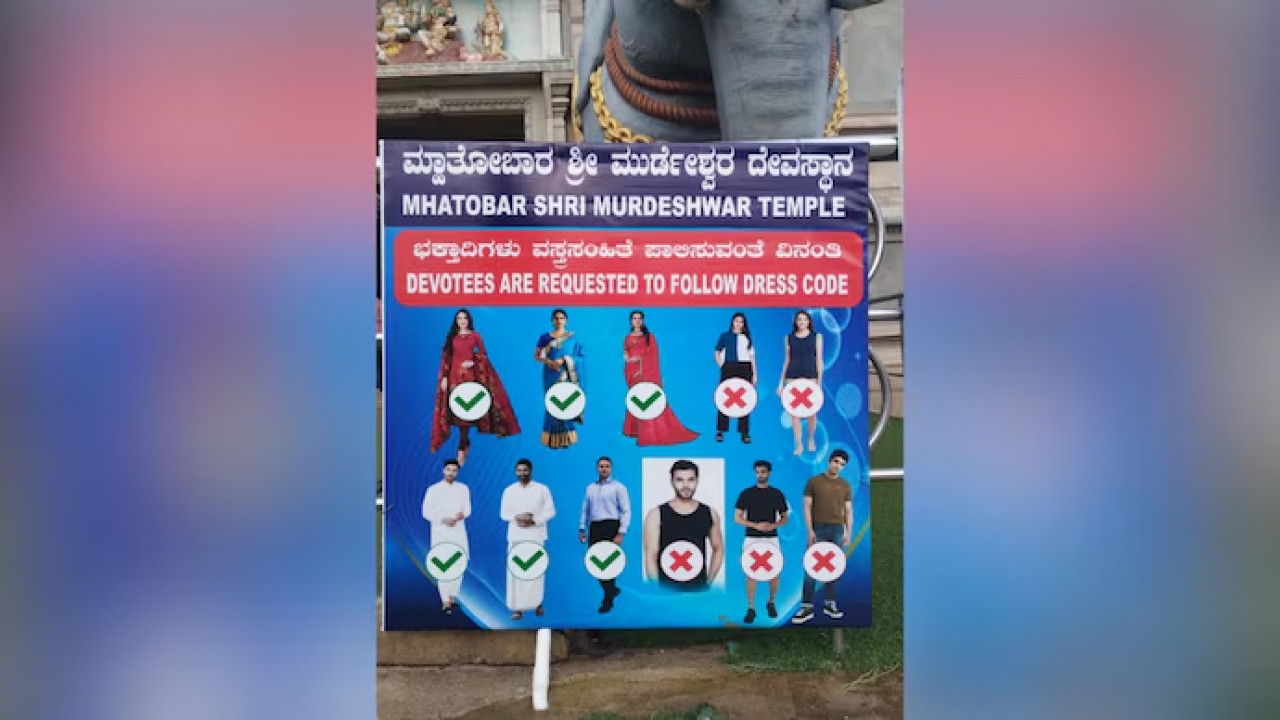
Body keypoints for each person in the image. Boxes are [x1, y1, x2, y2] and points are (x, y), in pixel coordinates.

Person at [430, 308, 521, 465]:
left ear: (469, 320)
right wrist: (444, 378)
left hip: (470, 378)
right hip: (453, 378)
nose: (462, 321)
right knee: (457, 412)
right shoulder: (452, 337)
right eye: (459, 318)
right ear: (456, 321)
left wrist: (473, 361)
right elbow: (446, 358)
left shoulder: (475, 336)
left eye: (465, 318)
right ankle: (464, 443)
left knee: (468, 411)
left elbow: (484, 355)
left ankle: (462, 445)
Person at [792, 450, 853, 624]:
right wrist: (810, 530)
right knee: (811, 568)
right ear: (829, 461)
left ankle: (830, 604)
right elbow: (806, 507)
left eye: (842, 464)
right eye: (836, 461)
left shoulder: (845, 485)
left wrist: (848, 532)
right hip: (818, 528)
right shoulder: (814, 482)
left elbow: (848, 511)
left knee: (833, 568)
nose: (838, 466)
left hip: (837, 530)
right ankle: (807, 607)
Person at [642, 459, 723, 590]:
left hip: (698, 591)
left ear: (697, 481)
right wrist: (658, 591)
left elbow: (718, 548)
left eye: (691, 479)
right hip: (667, 590)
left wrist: (708, 583)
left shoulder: (709, 513)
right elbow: (651, 556)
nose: (686, 485)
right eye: (679, 480)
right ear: (672, 481)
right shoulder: (656, 514)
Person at [622, 310, 698, 446]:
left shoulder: (649, 337)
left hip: (645, 372)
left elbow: (653, 355)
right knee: (635, 397)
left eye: (640, 318)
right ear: (631, 321)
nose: (637, 321)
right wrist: (629, 359)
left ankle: (649, 432)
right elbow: (625, 353)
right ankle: (634, 429)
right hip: (632, 371)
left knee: (647, 398)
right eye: (634, 318)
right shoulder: (627, 337)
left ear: (643, 321)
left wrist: (640, 359)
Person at [499, 458, 556, 619]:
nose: (522, 473)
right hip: (516, 537)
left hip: (535, 536)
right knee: (516, 572)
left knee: (535, 571)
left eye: (525, 470)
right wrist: (517, 517)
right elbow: (503, 514)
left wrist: (534, 520)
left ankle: (537, 604)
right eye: (519, 470)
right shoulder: (509, 491)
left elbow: (551, 511)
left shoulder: (542, 489)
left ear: (530, 471)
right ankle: (518, 608)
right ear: (516, 472)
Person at [734, 460, 788, 623]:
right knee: (751, 573)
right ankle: (751, 608)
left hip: (771, 538)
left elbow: (785, 518)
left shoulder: (776, 494)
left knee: (775, 571)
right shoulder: (746, 494)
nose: (760, 475)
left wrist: (772, 525)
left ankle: (771, 602)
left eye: (763, 472)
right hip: (751, 538)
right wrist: (755, 525)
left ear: (769, 473)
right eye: (757, 472)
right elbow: (737, 518)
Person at [578, 457, 631, 613]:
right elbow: (585, 509)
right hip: (595, 527)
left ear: (611, 468)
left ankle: (607, 599)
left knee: (609, 564)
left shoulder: (618, 488)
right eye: (601, 466)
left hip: (611, 525)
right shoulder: (590, 488)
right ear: (597, 468)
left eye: (607, 466)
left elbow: (626, 510)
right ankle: (612, 589)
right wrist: (582, 528)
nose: (604, 469)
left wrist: (621, 532)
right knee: (595, 563)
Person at [421, 459, 471, 614]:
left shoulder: (463, 489)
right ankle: (445, 600)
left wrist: (460, 516)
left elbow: (468, 509)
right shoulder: (433, 490)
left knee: (459, 562)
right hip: (440, 532)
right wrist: (443, 519)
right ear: (443, 470)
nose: (451, 473)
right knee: (443, 565)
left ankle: (453, 597)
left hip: (458, 531)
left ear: (458, 472)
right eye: (448, 470)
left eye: (454, 470)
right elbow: (426, 512)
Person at [535, 308, 587, 449]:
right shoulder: (545, 337)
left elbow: (581, 358)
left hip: (567, 374)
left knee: (566, 404)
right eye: (556, 318)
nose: (559, 321)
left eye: (561, 318)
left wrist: (564, 359)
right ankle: (551, 439)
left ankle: (567, 438)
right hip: (550, 374)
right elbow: (537, 356)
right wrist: (550, 362)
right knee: (552, 403)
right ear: (552, 321)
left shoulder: (573, 338)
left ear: (566, 320)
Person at [777, 310, 824, 456]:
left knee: (812, 413)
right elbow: (787, 360)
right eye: (799, 319)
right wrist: (780, 384)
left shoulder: (817, 337)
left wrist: (819, 383)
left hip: (811, 377)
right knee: (794, 414)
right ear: (795, 322)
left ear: (809, 321)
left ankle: (810, 439)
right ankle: (798, 444)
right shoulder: (788, 338)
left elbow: (819, 360)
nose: (802, 322)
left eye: (804, 319)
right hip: (792, 376)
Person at [713, 312, 757, 443]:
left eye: (741, 322)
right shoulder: (725, 336)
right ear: (732, 322)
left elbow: (752, 357)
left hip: (745, 368)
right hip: (729, 367)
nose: (739, 324)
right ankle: (721, 430)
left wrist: (754, 373)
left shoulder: (747, 337)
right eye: (736, 321)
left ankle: (744, 432)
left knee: (744, 400)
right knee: (724, 398)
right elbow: (717, 352)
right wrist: (722, 366)